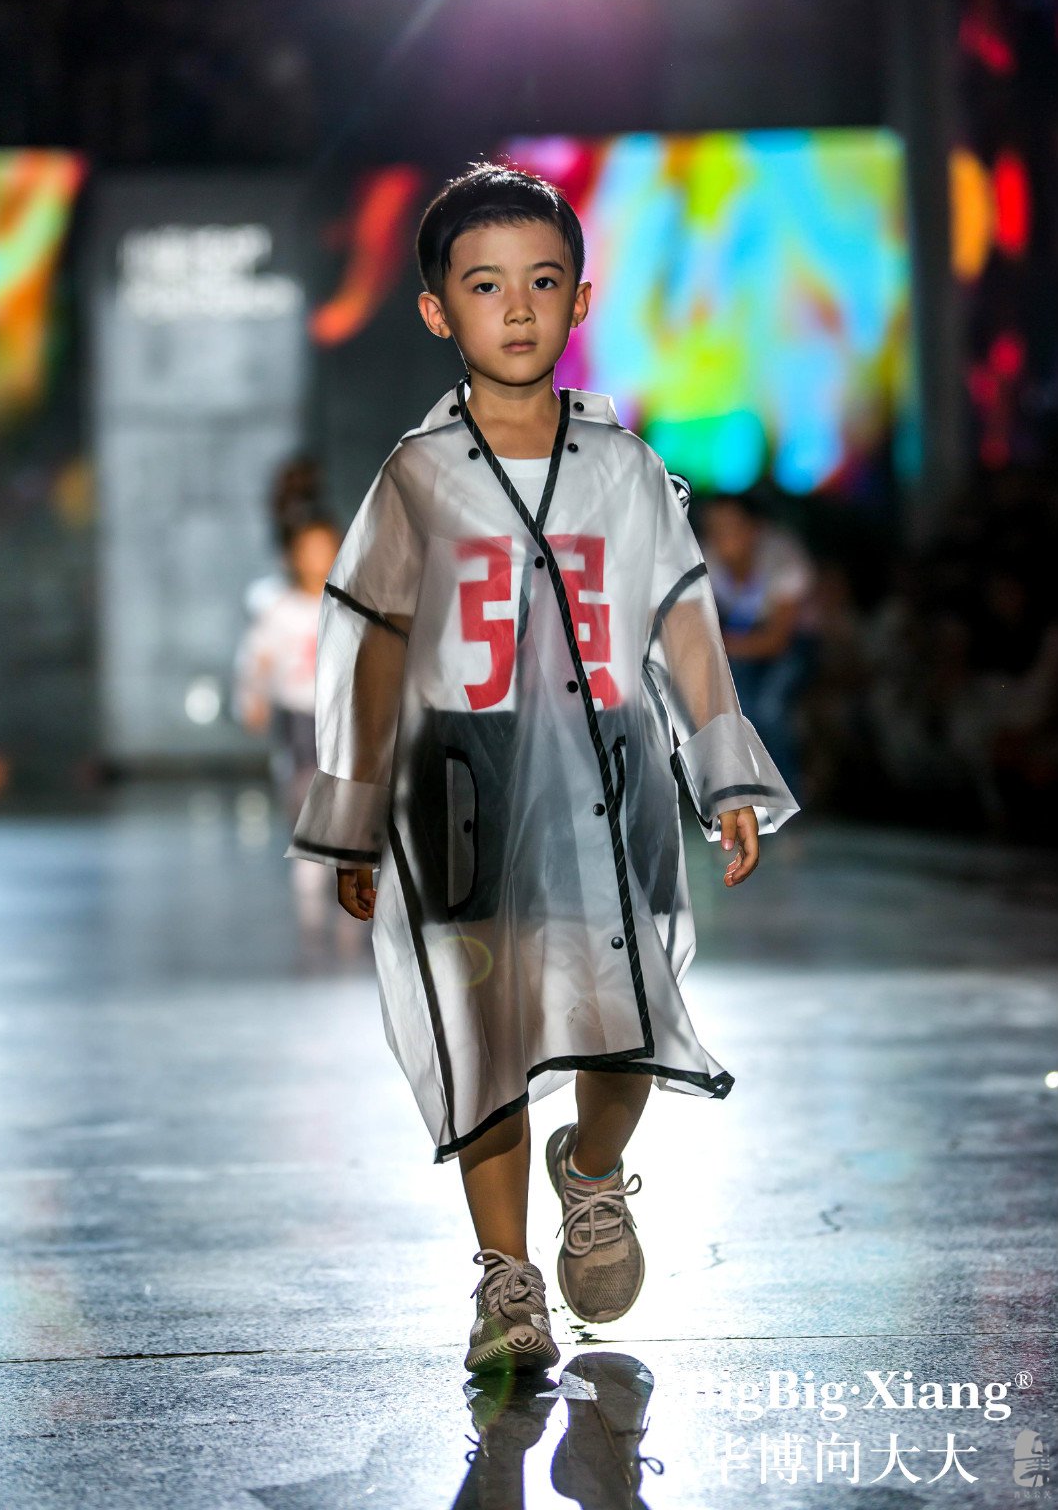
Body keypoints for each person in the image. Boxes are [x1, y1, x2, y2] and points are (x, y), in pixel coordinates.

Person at [284, 161, 800, 1375]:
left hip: (611, 771)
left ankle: (593, 1168)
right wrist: (353, 811)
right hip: (462, 779)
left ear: (580, 299)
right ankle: (505, 1278)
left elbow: (680, 618)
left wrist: (723, 768)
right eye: (483, 284)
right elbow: (373, 640)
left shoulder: (623, 469)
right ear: (435, 309)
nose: (515, 307)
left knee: (626, 1025)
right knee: (488, 1032)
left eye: (541, 280)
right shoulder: (417, 477)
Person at [233, 511, 346, 934]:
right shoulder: (279, 610)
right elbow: (257, 660)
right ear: (293, 556)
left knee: (345, 780)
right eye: (308, 550)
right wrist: (252, 700)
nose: (317, 558)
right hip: (298, 710)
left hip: (340, 707)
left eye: (324, 549)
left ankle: (342, 848)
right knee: (302, 782)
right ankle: (312, 849)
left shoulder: (350, 600)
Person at [698, 493, 819, 799]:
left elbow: (777, 640)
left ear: (755, 528)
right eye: (714, 527)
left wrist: (718, 644)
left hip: (796, 642)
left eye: (731, 525)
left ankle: (786, 792)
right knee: (732, 703)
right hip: (740, 639)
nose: (722, 535)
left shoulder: (783, 559)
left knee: (769, 706)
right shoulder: (706, 557)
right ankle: (740, 790)